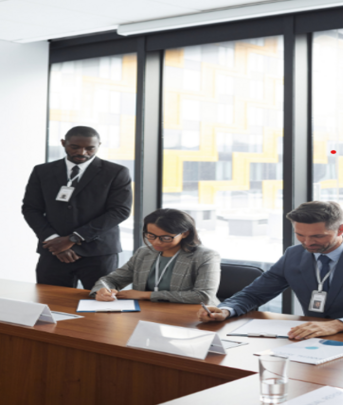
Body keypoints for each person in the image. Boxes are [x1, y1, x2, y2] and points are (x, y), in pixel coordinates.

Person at [198, 201, 343, 340]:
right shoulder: (294, 254)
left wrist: (339, 324)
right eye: (300, 235)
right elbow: (255, 293)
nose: (308, 243)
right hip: (311, 338)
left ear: (341, 229)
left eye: (318, 236)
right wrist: (227, 310)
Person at [22, 126, 132, 289]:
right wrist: (54, 241)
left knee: (100, 308)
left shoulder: (116, 172)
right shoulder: (42, 171)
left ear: (99, 145)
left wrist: (73, 238)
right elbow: (31, 209)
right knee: (51, 304)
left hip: (98, 253)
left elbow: (120, 211)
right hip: (53, 252)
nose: (82, 152)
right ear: (63, 143)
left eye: (90, 148)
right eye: (75, 147)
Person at [91, 208, 221, 304]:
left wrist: (147, 295)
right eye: (150, 236)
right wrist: (102, 290)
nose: (156, 242)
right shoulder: (144, 253)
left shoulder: (205, 256)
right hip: (147, 313)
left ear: (185, 233)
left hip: (193, 315)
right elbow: (111, 280)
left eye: (165, 237)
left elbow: (203, 296)